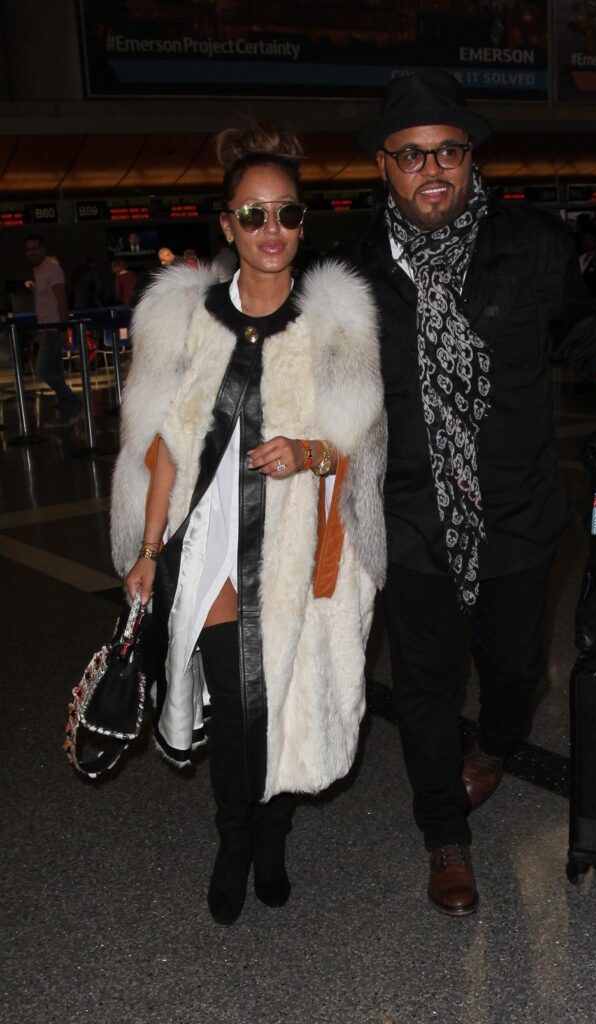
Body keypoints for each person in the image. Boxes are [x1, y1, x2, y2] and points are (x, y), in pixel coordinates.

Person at [344, 69, 596, 917]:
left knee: (516, 668)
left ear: (469, 159)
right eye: (412, 155)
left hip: (518, 507)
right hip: (411, 513)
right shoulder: (349, 270)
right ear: (383, 165)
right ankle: (444, 834)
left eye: (448, 152)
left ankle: (493, 747)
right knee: (421, 682)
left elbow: (575, 320)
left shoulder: (528, 243)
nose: (432, 171)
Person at [110, 123, 386, 927]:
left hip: (299, 549)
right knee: (236, 708)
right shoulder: (186, 318)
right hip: (211, 550)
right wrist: (148, 550)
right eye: (254, 215)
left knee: (287, 697)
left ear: (305, 223)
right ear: (226, 224)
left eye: (287, 215)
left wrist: (306, 451)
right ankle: (237, 838)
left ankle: (274, 834)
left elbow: (358, 449)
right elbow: (163, 443)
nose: (272, 232)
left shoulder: (336, 321)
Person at [24, 234, 81, 427]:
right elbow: (46, 298)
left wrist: (63, 327)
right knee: (56, 371)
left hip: (53, 327)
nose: (31, 252)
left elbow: (61, 299)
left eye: (35, 248)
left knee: (42, 370)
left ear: (43, 249)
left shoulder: (52, 269)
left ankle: (74, 401)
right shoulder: (39, 271)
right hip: (46, 326)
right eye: (28, 249)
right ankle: (66, 414)